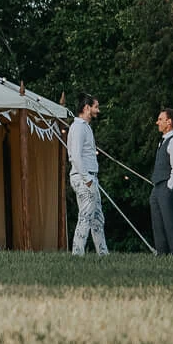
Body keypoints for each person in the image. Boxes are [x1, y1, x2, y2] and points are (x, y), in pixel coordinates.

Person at [67, 95, 108, 255]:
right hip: (84, 177)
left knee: (97, 217)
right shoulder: (78, 127)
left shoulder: (85, 127)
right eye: (95, 107)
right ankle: (77, 253)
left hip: (90, 177)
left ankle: (103, 253)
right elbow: (76, 156)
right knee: (85, 216)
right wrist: (87, 179)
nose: (98, 110)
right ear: (86, 108)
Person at [150, 107, 173, 255]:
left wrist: (169, 188)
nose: (157, 122)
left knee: (170, 222)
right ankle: (162, 253)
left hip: (167, 186)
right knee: (158, 222)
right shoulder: (162, 142)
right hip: (157, 186)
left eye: (160, 119)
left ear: (169, 122)